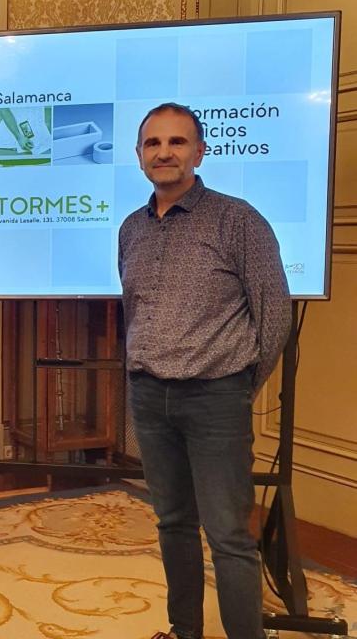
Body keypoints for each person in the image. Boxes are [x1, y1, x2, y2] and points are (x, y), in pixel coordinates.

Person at [118, 103, 292, 639]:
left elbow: (275, 315)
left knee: (228, 536)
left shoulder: (239, 219)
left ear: (200, 151)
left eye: (177, 142)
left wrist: (238, 386)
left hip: (216, 400)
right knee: (172, 524)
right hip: (150, 398)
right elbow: (135, 311)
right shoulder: (131, 228)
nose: (164, 152)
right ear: (139, 155)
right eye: (153, 143)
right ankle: (185, 631)